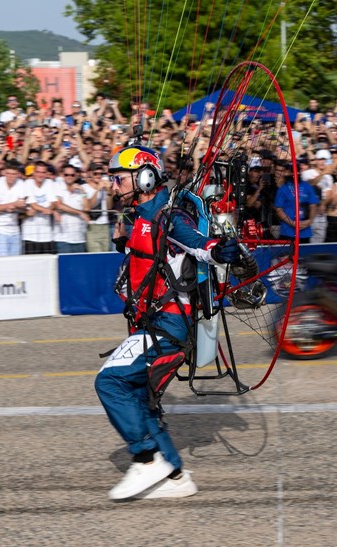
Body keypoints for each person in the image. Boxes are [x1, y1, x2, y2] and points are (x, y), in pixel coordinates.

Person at [94, 145, 240, 501]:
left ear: (143, 176)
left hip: (169, 326)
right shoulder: (139, 216)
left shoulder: (169, 216)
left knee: (110, 382)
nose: (113, 186)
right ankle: (175, 477)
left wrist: (219, 249)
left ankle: (146, 460)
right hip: (150, 323)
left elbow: (199, 244)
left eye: (117, 178)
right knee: (143, 399)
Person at [0, 161, 27, 256]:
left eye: (14, 174)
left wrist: (18, 208)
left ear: (18, 174)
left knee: (15, 263)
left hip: (14, 229)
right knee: (1, 263)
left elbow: (22, 206)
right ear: (4, 173)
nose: (11, 176)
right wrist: (11, 205)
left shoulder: (21, 184)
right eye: (8, 173)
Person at [274, 160, 319, 244]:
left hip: (305, 231)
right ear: (287, 172)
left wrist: (310, 221)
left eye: (297, 170)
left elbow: (313, 205)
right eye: (291, 171)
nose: (294, 173)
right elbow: (278, 209)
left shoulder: (307, 186)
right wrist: (292, 223)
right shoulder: (282, 188)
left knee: (303, 256)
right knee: (286, 256)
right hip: (287, 231)